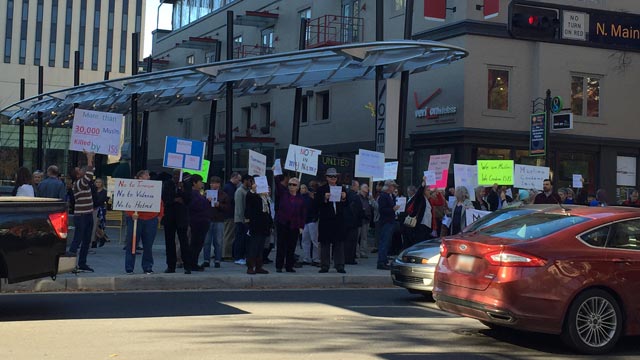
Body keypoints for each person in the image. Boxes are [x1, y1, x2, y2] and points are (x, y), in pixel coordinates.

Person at [124, 170, 163, 274]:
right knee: (132, 244)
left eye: (148, 175)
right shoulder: (132, 187)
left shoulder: (154, 187)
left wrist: (159, 216)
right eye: (146, 175)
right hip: (136, 218)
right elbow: (126, 200)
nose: (148, 177)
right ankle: (129, 267)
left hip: (151, 219)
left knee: (148, 245)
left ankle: (147, 266)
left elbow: (159, 202)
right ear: (139, 177)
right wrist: (131, 213)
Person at [67, 151, 96, 272]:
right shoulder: (79, 183)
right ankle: (70, 264)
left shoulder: (81, 182)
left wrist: (91, 159)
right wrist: (89, 158)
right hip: (82, 216)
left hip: (87, 214)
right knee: (78, 240)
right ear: (78, 175)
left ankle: (82, 263)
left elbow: (90, 171)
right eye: (79, 170)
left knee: (86, 240)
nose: (81, 169)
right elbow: (89, 174)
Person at [315, 168, 347, 274]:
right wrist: (324, 198)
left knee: (339, 243)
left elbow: (347, 204)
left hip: (338, 220)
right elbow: (315, 204)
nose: (333, 179)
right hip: (326, 220)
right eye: (331, 177)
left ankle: (339, 264)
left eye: (335, 177)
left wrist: (344, 198)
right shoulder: (321, 189)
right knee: (325, 243)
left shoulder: (342, 188)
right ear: (326, 178)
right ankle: (325, 265)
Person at [162, 169, 193, 274]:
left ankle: (187, 265)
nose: (176, 177)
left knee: (184, 241)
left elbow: (188, 199)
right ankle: (171, 265)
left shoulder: (186, 185)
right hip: (170, 216)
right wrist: (175, 200)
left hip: (182, 217)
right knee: (169, 242)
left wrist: (181, 189)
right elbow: (165, 198)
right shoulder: (167, 184)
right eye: (175, 175)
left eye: (179, 175)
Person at [273, 175, 306, 273]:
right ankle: (279, 266)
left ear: (298, 187)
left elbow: (303, 214)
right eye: (290, 184)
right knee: (281, 245)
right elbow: (278, 185)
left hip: (294, 225)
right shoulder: (283, 194)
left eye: (294, 184)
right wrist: (276, 174)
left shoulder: (301, 199)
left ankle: (289, 266)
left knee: (291, 246)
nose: (291, 186)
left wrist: (301, 226)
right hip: (283, 223)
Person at [244, 176, 272, 274]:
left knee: (261, 247)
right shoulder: (252, 195)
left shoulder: (265, 197)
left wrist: (270, 224)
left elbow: (268, 211)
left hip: (264, 225)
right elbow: (249, 204)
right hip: (255, 225)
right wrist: (253, 190)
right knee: (253, 247)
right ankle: (250, 267)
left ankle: (259, 266)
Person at [202, 176, 228, 268]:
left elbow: (227, 207)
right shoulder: (206, 194)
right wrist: (205, 200)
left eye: (217, 183)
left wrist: (219, 205)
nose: (215, 185)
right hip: (208, 219)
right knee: (206, 241)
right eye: (213, 183)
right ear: (210, 184)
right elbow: (200, 206)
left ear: (219, 185)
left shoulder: (223, 195)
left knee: (218, 241)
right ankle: (206, 260)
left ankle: (217, 260)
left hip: (219, 220)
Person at [186, 174, 209, 272]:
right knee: (196, 243)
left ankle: (193, 262)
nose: (202, 183)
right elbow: (196, 205)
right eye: (200, 181)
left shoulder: (199, 193)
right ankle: (192, 263)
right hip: (197, 221)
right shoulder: (192, 193)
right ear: (194, 183)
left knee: (198, 243)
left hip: (202, 220)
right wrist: (205, 200)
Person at [377, 180, 400, 270]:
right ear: (389, 187)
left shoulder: (391, 196)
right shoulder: (383, 196)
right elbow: (382, 210)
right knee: (384, 242)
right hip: (386, 222)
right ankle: (381, 261)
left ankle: (384, 259)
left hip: (390, 221)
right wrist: (392, 209)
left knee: (387, 242)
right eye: (393, 186)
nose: (394, 188)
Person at [233, 174, 252, 265]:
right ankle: (238, 257)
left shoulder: (247, 191)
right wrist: (243, 219)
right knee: (239, 239)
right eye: (249, 181)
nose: (251, 183)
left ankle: (242, 256)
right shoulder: (240, 191)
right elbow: (240, 207)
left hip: (246, 219)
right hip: (240, 220)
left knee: (244, 239)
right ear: (245, 181)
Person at [343, 180, 362, 265]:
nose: (358, 188)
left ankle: (345, 257)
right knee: (352, 241)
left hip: (345, 222)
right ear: (354, 186)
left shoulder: (346, 195)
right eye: (357, 186)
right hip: (354, 222)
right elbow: (359, 210)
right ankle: (350, 258)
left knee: (346, 240)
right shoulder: (356, 196)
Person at [300, 183, 320, 266]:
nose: (303, 189)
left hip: (312, 220)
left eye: (304, 188)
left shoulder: (311, 198)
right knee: (305, 240)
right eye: (302, 188)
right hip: (305, 221)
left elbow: (317, 208)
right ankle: (307, 258)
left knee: (314, 240)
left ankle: (316, 258)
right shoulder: (301, 198)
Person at [222, 172, 241, 259]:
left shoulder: (228, 186)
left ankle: (226, 253)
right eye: (238, 179)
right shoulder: (230, 188)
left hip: (228, 213)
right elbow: (232, 200)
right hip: (230, 214)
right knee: (229, 234)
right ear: (234, 178)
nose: (239, 182)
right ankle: (227, 254)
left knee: (228, 234)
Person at [91, 178, 108, 248]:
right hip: (93, 208)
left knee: (96, 225)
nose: (98, 184)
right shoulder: (93, 190)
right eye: (96, 182)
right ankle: (100, 238)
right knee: (94, 226)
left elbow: (101, 200)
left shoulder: (104, 191)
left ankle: (97, 239)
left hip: (100, 209)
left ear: (102, 183)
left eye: (99, 182)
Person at [357, 183, 373, 259]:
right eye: (365, 187)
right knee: (357, 237)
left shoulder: (368, 198)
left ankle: (362, 251)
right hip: (359, 219)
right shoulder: (358, 197)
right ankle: (356, 252)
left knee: (364, 237)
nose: (367, 188)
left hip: (366, 219)